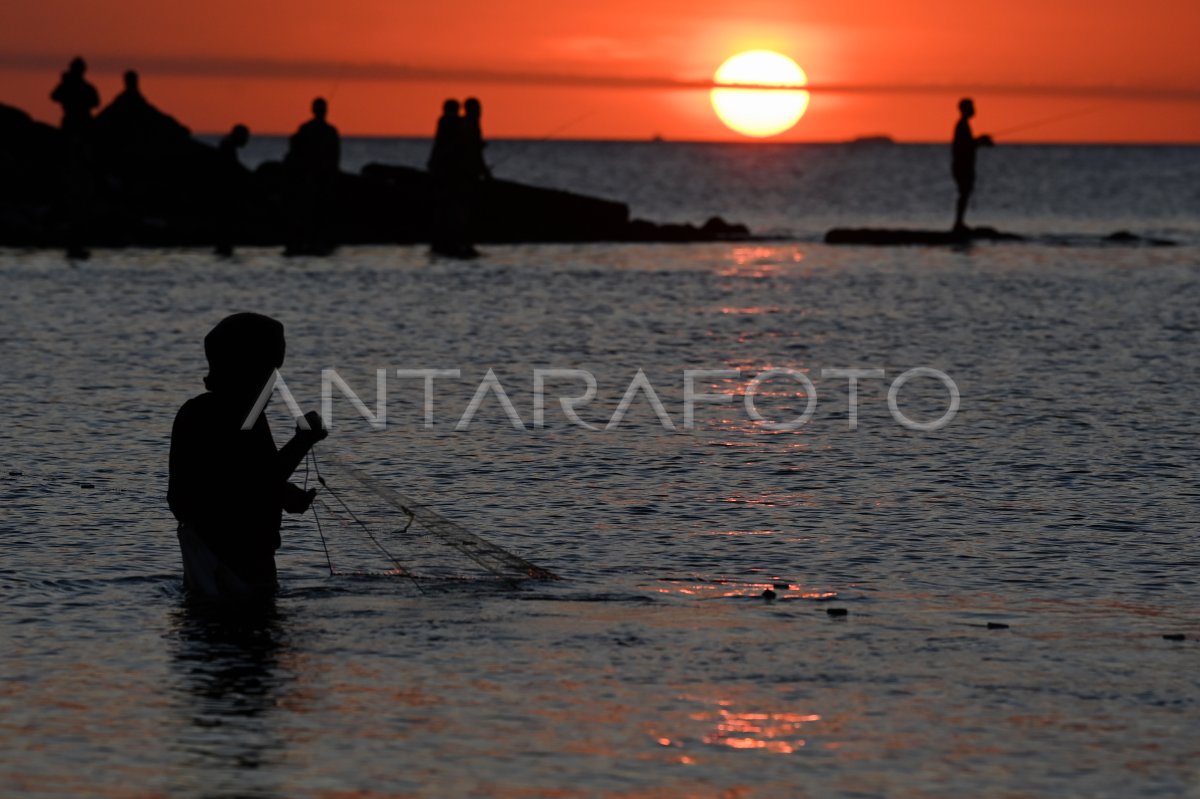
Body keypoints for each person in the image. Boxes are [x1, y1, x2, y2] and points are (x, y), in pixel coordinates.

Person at [168, 313, 328, 601]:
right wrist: (302, 441)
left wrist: (282, 493)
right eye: (269, 373)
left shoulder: (193, 412)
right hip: (244, 570)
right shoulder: (243, 418)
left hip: (203, 570)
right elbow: (261, 481)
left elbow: (236, 481)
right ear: (244, 369)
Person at [283, 98, 340, 254]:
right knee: (314, 211)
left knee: (316, 211)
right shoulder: (325, 131)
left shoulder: (310, 129)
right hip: (312, 177)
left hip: (317, 177)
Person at [951, 97, 993, 232]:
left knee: (964, 193)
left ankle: (959, 223)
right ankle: (958, 224)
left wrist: (980, 141)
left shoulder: (964, 125)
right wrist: (981, 140)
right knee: (964, 193)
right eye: (972, 107)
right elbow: (965, 146)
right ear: (965, 109)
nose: (974, 110)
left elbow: (968, 144)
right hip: (962, 166)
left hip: (963, 165)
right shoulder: (962, 125)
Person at [50, 57, 100, 137]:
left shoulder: (85, 87)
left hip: (82, 119)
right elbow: (54, 96)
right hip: (73, 119)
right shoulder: (70, 85)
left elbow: (96, 102)